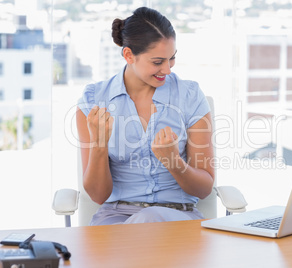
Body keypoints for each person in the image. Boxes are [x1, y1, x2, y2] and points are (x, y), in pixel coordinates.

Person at [76, 7, 214, 225]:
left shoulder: (189, 96)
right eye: (158, 62)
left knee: (148, 219)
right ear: (129, 55)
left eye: (172, 59)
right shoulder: (94, 100)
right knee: (138, 226)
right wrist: (100, 144)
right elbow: (98, 195)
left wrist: (173, 161)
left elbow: (204, 188)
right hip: (115, 218)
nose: (167, 70)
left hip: (177, 218)